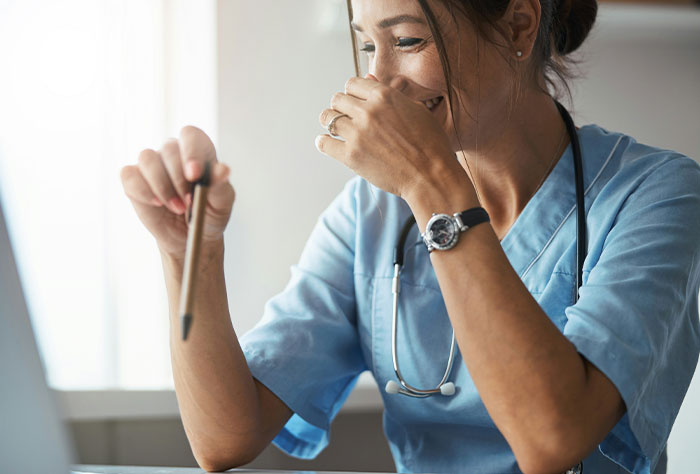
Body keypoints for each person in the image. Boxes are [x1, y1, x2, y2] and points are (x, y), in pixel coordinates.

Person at [120, 0, 700, 473]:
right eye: (369, 44)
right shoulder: (370, 212)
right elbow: (226, 437)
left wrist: (432, 186)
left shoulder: (659, 194)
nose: (378, 81)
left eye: (408, 41)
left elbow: (552, 440)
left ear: (520, 25)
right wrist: (189, 255)